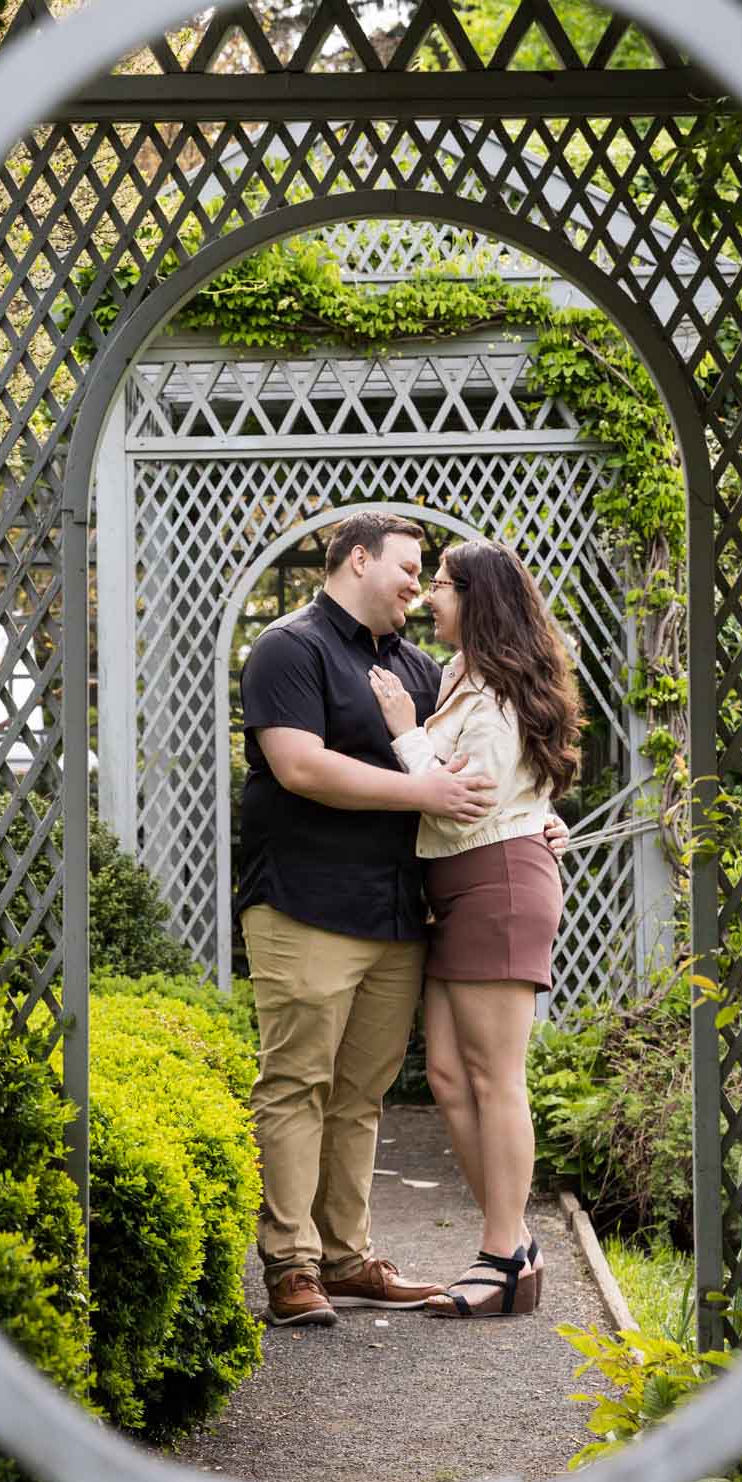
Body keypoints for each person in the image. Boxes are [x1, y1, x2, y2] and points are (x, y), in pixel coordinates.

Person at [239, 511, 566, 1329]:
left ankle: (347, 1258)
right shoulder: (290, 646)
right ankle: (291, 1266)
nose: (419, 590)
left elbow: (483, 761)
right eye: (409, 570)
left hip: (397, 912)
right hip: (306, 902)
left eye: (432, 577)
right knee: (295, 1084)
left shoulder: (423, 671)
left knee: (360, 1094)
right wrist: (421, 790)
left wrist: (536, 816)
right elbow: (298, 765)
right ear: (357, 561)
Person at [368, 539, 580, 1318]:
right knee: (451, 1077)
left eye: (446, 587)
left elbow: (468, 798)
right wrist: (542, 813)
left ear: (479, 599)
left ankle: (498, 1253)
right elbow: (514, 786)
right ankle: (514, 1244)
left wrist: (401, 727)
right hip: (457, 884)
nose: (430, 597)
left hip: (495, 879)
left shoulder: (492, 692)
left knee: (495, 1079)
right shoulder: (461, 678)